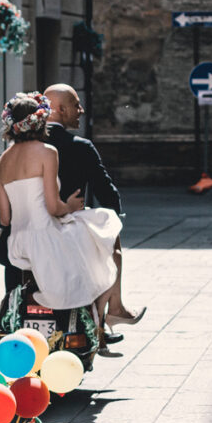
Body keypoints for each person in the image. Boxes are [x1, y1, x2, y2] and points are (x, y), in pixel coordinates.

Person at [0, 92, 122, 314]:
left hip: (16, 243)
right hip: (45, 238)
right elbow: (54, 208)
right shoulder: (47, 152)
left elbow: (5, 218)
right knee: (102, 231)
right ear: (40, 120)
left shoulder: (2, 161)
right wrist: (71, 206)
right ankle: (105, 313)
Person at [43, 83, 145, 331]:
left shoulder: (22, 148)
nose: (81, 110)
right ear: (59, 109)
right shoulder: (80, 146)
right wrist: (115, 214)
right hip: (68, 227)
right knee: (112, 248)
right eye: (76, 104)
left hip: (27, 233)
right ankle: (109, 315)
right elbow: (105, 191)